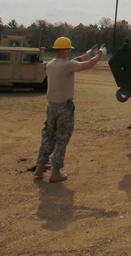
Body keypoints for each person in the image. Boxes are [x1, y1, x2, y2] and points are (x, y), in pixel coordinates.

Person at [33, 36, 103, 183]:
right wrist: (100, 54)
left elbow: (75, 61)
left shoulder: (51, 64)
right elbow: (88, 64)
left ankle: (39, 168)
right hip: (64, 107)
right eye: (68, 49)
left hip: (51, 106)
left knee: (48, 134)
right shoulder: (67, 65)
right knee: (62, 138)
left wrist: (88, 52)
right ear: (65, 50)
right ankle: (56, 172)